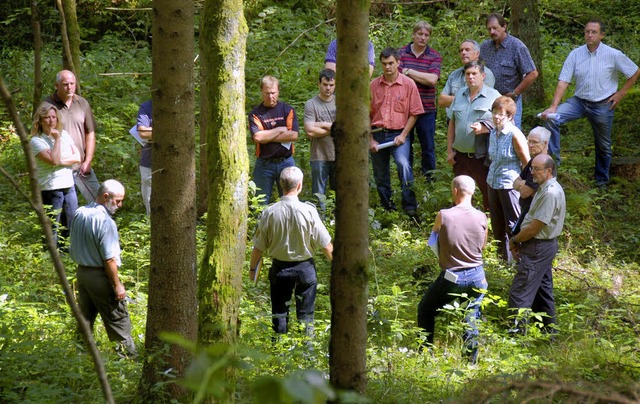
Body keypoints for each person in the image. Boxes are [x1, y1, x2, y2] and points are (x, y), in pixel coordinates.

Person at [541, 19, 640, 187]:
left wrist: (620, 94)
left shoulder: (613, 54)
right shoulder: (575, 54)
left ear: (602, 35)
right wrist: (554, 106)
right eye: (587, 31)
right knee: (551, 117)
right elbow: (563, 81)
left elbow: (634, 71)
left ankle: (601, 182)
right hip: (579, 102)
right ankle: (554, 164)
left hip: (603, 104)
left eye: (594, 32)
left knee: (604, 145)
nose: (590, 35)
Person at [250, 167, 333, 335]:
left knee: (279, 315)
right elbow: (326, 245)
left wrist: (252, 270)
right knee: (306, 316)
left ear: (281, 185)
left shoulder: (269, 212)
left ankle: (278, 355)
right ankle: (308, 356)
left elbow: (258, 248)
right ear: (300, 186)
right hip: (305, 269)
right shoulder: (309, 211)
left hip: (279, 269)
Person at [417, 175, 488, 363]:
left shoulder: (444, 215)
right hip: (478, 276)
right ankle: (470, 362)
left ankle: (425, 353)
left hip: (452, 277)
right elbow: (482, 247)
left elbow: (434, 239)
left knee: (426, 308)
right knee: (471, 316)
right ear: (472, 192)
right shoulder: (482, 217)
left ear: (455, 191)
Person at [69, 179, 137, 357]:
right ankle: (127, 360)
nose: (120, 205)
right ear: (105, 196)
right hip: (100, 277)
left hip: (82, 274)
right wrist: (117, 285)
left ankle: (80, 357)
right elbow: (109, 260)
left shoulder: (80, 212)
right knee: (118, 319)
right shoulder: (106, 222)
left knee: (85, 318)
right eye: (118, 200)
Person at [508, 155, 565, 332]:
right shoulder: (544, 188)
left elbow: (535, 227)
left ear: (549, 171)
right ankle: (549, 332)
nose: (532, 172)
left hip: (538, 247)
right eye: (531, 168)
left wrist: (516, 240)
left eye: (537, 169)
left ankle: (516, 335)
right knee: (542, 291)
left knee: (520, 291)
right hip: (541, 247)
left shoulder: (550, 193)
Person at [370, 47, 424, 216]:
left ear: (398, 63)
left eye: (391, 63)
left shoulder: (408, 84)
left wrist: (403, 135)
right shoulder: (373, 85)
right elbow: (364, 114)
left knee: (403, 165)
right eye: (384, 63)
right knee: (380, 174)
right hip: (377, 133)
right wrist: (370, 139)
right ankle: (388, 208)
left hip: (399, 133)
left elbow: (414, 113)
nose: (388, 67)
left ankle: (410, 207)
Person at [447, 61, 501, 210]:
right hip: (460, 157)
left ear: (483, 76)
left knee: (487, 193)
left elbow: (506, 122)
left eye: (474, 73)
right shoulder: (459, 94)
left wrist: (485, 127)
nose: (471, 77)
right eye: (468, 74)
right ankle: (459, 224)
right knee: (459, 194)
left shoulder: (494, 96)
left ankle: (489, 223)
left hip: (482, 157)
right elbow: (452, 123)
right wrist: (450, 151)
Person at [30, 102, 81, 249]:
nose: (51, 120)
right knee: (52, 228)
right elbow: (53, 160)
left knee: (71, 224)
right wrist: (57, 141)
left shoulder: (64, 134)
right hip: (51, 188)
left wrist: (59, 161)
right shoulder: (36, 140)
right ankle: (50, 258)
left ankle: (68, 255)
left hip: (69, 186)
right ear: (40, 120)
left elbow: (77, 157)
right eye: (47, 117)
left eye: (54, 117)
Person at [486, 96, 530, 262]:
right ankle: (502, 261)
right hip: (492, 181)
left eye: (501, 114)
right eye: (494, 113)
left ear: (510, 116)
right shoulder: (492, 133)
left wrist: (526, 187)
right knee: (496, 224)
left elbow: (527, 163)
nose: (496, 117)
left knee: (513, 224)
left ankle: (519, 260)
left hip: (509, 184)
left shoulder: (514, 134)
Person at [46, 70, 100, 202]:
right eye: (65, 84)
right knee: (63, 209)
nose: (69, 87)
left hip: (81, 165)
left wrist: (88, 161)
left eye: (72, 83)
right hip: (59, 167)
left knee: (99, 201)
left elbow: (90, 132)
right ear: (56, 85)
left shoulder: (82, 103)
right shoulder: (47, 106)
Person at [398, 21, 442, 179]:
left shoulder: (434, 56)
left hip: (427, 108)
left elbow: (432, 80)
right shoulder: (400, 53)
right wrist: (421, 76)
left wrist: (409, 71)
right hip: (404, 109)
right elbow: (398, 78)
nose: (423, 38)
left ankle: (429, 182)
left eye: (426, 35)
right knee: (405, 146)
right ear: (413, 34)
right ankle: (407, 181)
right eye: (420, 34)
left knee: (428, 148)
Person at [480, 13, 538, 129]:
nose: (492, 32)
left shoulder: (517, 46)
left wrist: (515, 93)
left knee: (511, 132)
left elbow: (532, 73)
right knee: (489, 134)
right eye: (489, 29)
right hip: (489, 100)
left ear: (504, 27)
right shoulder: (485, 47)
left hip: (510, 100)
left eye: (495, 28)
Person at [248, 76, 299, 204]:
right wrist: (280, 129)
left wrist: (268, 136)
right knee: (259, 203)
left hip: (286, 162)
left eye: (273, 93)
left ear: (278, 91)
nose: (271, 96)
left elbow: (293, 135)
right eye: (267, 93)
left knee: (291, 202)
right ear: (262, 92)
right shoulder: (255, 114)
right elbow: (258, 137)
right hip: (264, 164)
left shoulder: (287, 110)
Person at [304, 69, 336, 211]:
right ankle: (320, 221)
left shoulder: (340, 102)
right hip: (319, 155)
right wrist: (333, 127)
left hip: (338, 155)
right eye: (325, 84)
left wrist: (320, 124)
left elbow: (345, 129)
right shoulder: (311, 104)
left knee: (339, 192)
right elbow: (310, 130)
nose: (328, 88)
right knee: (319, 195)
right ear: (319, 84)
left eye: (331, 85)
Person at [439, 39, 496, 119]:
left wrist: (455, 100)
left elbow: (482, 101)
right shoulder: (455, 74)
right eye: (461, 50)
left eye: (467, 50)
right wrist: (466, 99)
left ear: (477, 54)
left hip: (476, 122)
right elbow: (442, 101)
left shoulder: (485, 74)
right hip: (453, 121)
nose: (463, 52)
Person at [512, 126, 551, 234]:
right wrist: (522, 184)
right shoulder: (533, 161)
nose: (530, 145)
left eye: (535, 142)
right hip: (526, 211)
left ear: (545, 143)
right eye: (529, 142)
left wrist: (522, 185)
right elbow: (514, 183)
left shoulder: (544, 164)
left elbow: (524, 193)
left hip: (535, 214)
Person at [136, 100, 153, 215]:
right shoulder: (147, 106)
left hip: (176, 164)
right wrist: (168, 130)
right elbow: (143, 133)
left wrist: (152, 130)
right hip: (149, 163)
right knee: (150, 206)